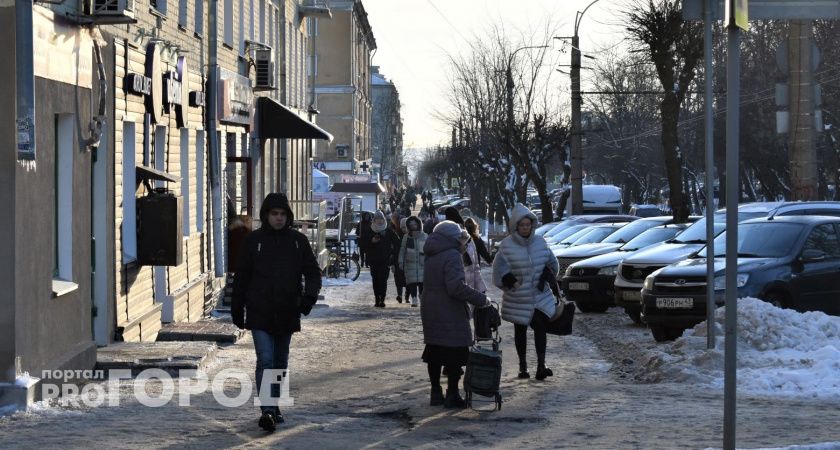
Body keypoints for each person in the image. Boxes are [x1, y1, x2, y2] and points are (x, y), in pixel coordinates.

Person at [231, 193, 322, 432]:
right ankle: (267, 409)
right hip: (259, 310)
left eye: (282, 214)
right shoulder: (254, 241)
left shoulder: (297, 241)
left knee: (280, 362)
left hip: (287, 310)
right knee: (266, 359)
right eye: (274, 214)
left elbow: (313, 272)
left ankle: (274, 404)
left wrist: (308, 299)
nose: (278, 218)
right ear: (266, 215)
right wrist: (236, 308)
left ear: (288, 216)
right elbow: (242, 277)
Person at [421, 220, 491, 408]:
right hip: (449, 310)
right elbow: (455, 287)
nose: (463, 242)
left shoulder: (432, 252)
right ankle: (452, 394)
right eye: (460, 238)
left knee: (434, 350)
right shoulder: (452, 254)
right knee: (454, 352)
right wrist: (480, 299)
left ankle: (436, 392)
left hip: (431, 307)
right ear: (452, 238)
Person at [492, 203, 559, 381]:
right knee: (520, 330)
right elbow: (498, 271)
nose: (525, 228)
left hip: (540, 295)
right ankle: (522, 366)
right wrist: (513, 284)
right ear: (515, 226)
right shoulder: (506, 246)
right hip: (518, 298)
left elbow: (553, 263)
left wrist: (547, 274)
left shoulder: (540, 242)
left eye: (528, 225)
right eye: (522, 225)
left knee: (540, 327)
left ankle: (541, 365)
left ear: (532, 225)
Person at [399, 215, 427, 307]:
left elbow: (429, 250)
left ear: (419, 224)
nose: (413, 226)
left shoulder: (424, 236)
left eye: (414, 224)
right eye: (411, 225)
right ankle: (414, 298)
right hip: (410, 263)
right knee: (412, 283)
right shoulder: (406, 237)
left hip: (422, 263)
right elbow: (402, 250)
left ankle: (422, 298)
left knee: (422, 283)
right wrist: (401, 261)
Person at [367, 210, 393, 307]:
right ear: (374, 220)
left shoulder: (388, 230)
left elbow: (396, 242)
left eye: (381, 219)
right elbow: (364, 245)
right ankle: (377, 298)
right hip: (374, 260)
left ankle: (382, 299)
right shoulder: (370, 230)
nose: (380, 221)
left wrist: (392, 255)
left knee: (383, 280)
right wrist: (371, 241)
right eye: (378, 219)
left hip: (385, 260)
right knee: (376, 280)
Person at [462, 217, 489, 294]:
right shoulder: (477, 239)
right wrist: (490, 260)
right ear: (475, 227)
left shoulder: (462, 240)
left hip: (465, 270)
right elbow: (484, 252)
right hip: (475, 268)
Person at [389, 213, 407, 303]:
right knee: (398, 278)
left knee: (406, 278)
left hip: (406, 259)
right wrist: (391, 262)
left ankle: (406, 296)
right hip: (397, 259)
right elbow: (392, 249)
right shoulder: (394, 233)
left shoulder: (408, 235)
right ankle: (400, 295)